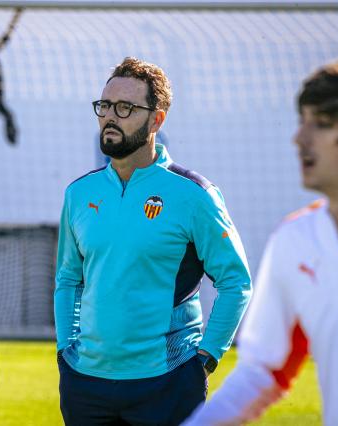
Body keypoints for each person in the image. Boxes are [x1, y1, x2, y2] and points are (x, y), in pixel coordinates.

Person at [184, 59, 338, 425]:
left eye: (323, 124)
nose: (300, 138)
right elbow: (263, 371)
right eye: (302, 121)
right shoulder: (295, 241)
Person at [54, 57, 253, 425]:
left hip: (168, 383)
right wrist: (65, 349)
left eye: (126, 107)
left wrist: (206, 358)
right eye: (105, 105)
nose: (110, 116)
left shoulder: (193, 194)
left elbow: (236, 280)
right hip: (85, 384)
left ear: (156, 120)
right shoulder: (79, 193)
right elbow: (68, 279)